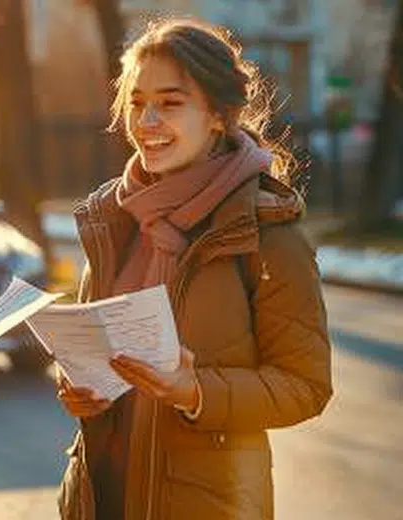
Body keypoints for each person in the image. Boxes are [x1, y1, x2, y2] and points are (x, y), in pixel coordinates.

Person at [55, 18, 333, 520]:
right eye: (137, 103)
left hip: (206, 504)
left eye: (170, 103)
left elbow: (306, 386)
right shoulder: (112, 221)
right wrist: (82, 392)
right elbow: (101, 363)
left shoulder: (268, 233)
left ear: (218, 116)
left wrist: (196, 390)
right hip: (101, 499)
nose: (148, 122)